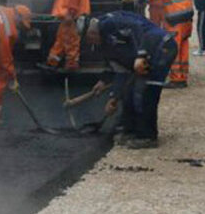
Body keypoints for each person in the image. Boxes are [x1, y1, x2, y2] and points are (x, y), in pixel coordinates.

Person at [66, 12, 177, 149]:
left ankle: (147, 137)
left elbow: (137, 28)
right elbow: (120, 71)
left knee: (145, 91)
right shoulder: (106, 41)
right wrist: (113, 95)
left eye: (88, 40)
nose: (90, 44)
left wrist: (141, 55)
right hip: (147, 54)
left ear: (91, 33)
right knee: (129, 92)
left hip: (161, 47)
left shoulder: (111, 23)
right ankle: (130, 130)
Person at [145, 0, 193, 87]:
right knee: (183, 47)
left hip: (176, 21)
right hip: (186, 20)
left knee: (173, 48)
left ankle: (176, 79)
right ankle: (182, 76)